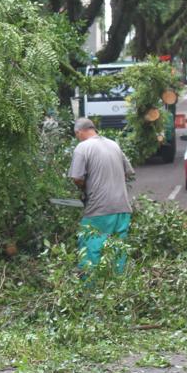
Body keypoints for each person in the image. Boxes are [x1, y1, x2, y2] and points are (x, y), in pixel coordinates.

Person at [68, 117, 135, 273]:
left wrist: (85, 188)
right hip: (122, 208)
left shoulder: (82, 147)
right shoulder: (114, 144)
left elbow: (77, 178)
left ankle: (90, 290)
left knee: (90, 247)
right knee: (118, 250)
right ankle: (119, 287)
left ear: (79, 132)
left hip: (99, 209)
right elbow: (129, 172)